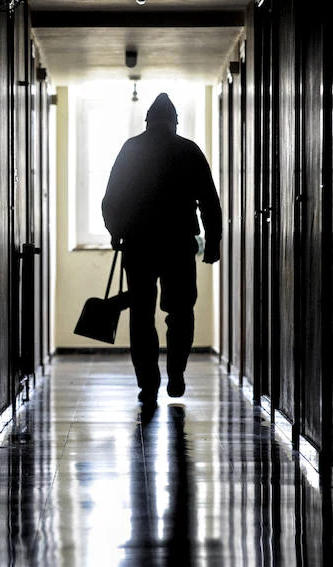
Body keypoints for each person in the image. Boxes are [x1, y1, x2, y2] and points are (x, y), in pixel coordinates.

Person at [101, 92, 222, 407]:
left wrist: (116, 232)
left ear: (148, 121)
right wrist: (213, 241)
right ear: (175, 122)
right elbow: (209, 199)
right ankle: (176, 372)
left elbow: (112, 198)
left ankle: (148, 385)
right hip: (179, 244)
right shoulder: (188, 150)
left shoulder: (131, 149)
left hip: (139, 244)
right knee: (181, 312)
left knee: (141, 315)